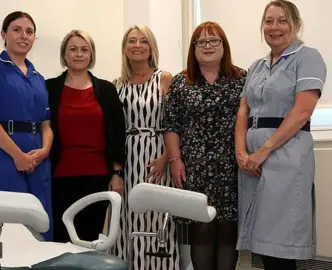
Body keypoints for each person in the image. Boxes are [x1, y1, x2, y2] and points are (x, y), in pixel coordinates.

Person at [235, 1, 327, 269]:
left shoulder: (308, 56)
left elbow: (302, 111)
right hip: (251, 161)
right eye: (268, 21)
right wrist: (241, 152)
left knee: (281, 242)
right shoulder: (256, 66)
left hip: (285, 155)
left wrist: (263, 151)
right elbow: (243, 112)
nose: (274, 27)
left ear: (295, 25)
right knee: (262, 244)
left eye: (282, 21)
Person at [162, 21, 247, 270]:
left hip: (231, 168)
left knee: (229, 231)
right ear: (194, 47)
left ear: (224, 45)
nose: (208, 46)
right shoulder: (181, 82)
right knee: (202, 230)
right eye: (202, 41)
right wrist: (175, 160)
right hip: (194, 168)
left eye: (214, 40)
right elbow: (170, 125)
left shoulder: (242, 78)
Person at [0, 11, 54, 241]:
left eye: (29, 31)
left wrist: (45, 150)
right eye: (17, 30)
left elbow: (46, 124)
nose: (23, 36)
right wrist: (17, 155)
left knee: (42, 223)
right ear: (4, 35)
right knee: (13, 226)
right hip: (5, 156)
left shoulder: (38, 78)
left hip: (39, 158)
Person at [46, 30, 126, 243]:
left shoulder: (107, 90)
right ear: (64, 55)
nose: (78, 54)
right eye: (73, 49)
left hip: (97, 178)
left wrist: (117, 173)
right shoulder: (49, 88)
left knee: (89, 243)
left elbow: (118, 133)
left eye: (84, 49)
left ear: (91, 55)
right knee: (61, 242)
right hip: (59, 178)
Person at [111, 24, 179, 270]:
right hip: (126, 158)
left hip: (156, 156)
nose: (137, 46)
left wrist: (166, 157)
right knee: (126, 217)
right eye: (132, 41)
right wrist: (116, 171)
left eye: (143, 41)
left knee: (155, 215)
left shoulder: (165, 78)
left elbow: (175, 123)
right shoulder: (116, 84)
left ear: (151, 48)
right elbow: (113, 130)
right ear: (125, 48)